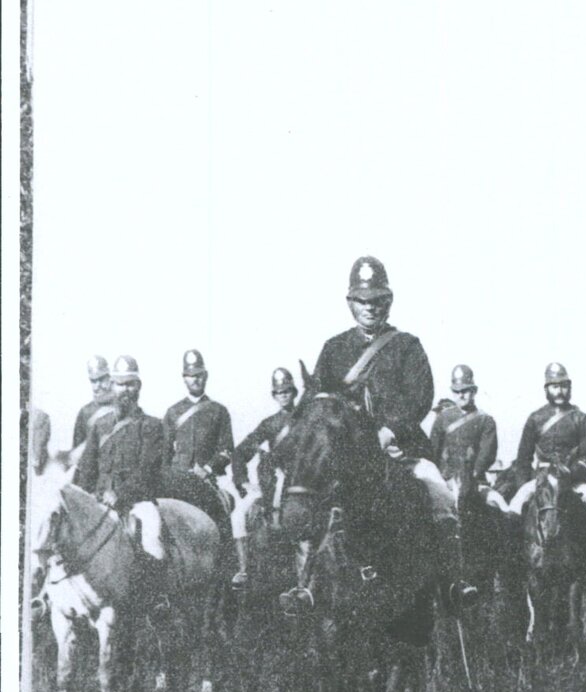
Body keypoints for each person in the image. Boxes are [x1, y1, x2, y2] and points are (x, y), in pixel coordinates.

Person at [312, 254, 477, 606]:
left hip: (403, 452)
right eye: (362, 301)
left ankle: (453, 583)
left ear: (387, 301)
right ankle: (306, 586)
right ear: (350, 302)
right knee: (310, 505)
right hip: (348, 460)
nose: (369, 308)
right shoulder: (333, 350)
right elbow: (319, 403)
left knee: (441, 498)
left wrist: (389, 432)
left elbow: (421, 397)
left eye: (376, 301)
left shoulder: (407, 346)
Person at [73, 356, 170, 596]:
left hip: (135, 503)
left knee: (152, 537)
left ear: (138, 386)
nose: (124, 389)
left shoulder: (152, 426)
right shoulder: (100, 426)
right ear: (112, 386)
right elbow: (86, 470)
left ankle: (156, 600)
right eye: (119, 383)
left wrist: (120, 494)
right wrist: (84, 497)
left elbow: (147, 471)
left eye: (129, 384)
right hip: (99, 503)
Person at [227, 366, 301, 587]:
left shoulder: (308, 420)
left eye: (287, 390)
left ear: (294, 392)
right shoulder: (269, 424)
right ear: (274, 395)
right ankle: (243, 570)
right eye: (279, 392)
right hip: (273, 485)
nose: (283, 395)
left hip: (301, 484)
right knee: (238, 516)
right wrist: (244, 482)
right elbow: (240, 452)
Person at [504, 362, 586, 517]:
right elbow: (523, 459)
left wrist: (571, 472)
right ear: (546, 389)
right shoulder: (535, 419)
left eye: (563, 386)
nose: (559, 391)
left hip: (575, 483)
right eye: (554, 387)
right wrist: (524, 485)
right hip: (542, 482)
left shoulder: (581, 419)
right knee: (514, 510)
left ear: (569, 387)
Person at [163, 349, 236, 514]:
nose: (195, 379)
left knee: (233, 514)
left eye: (199, 374)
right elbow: (164, 452)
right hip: (178, 478)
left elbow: (227, 449)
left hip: (210, 478)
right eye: (190, 375)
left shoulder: (219, 411)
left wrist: (208, 469)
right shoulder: (173, 412)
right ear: (184, 378)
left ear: (206, 375)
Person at [430, 363, 500, 499]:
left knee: (499, 506)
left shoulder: (485, 421)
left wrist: (469, 478)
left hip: (474, 484)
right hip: (444, 483)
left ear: (474, 391)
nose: (461, 395)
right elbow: (432, 451)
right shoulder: (442, 418)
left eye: (465, 391)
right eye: (456, 391)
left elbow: (487, 455)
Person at [70, 354, 118, 456]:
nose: (97, 386)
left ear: (110, 377)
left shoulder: (121, 406)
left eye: (101, 379)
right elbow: (77, 451)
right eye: (93, 381)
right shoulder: (85, 412)